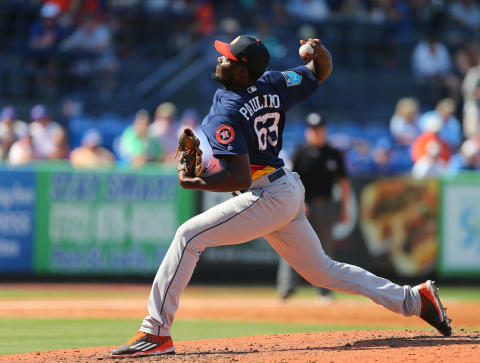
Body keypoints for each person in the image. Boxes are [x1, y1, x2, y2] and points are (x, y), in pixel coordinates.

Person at [111, 35, 452, 358]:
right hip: (284, 188)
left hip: (266, 193)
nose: (219, 59)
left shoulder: (227, 111)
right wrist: (320, 53)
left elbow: (239, 176)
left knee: (188, 237)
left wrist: (192, 180)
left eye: (227, 58)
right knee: (323, 272)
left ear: (242, 70)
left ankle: (155, 332)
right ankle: (415, 300)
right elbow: (320, 71)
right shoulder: (272, 83)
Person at [277, 112, 350, 303]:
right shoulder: (300, 152)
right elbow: (290, 182)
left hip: (326, 205)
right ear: (308, 131)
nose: (316, 133)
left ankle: (325, 292)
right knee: (291, 246)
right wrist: (298, 205)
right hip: (303, 206)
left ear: (325, 130)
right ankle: (287, 289)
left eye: (319, 129)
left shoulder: (333, 153)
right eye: (312, 129)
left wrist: (344, 208)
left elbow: (343, 183)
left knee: (325, 250)